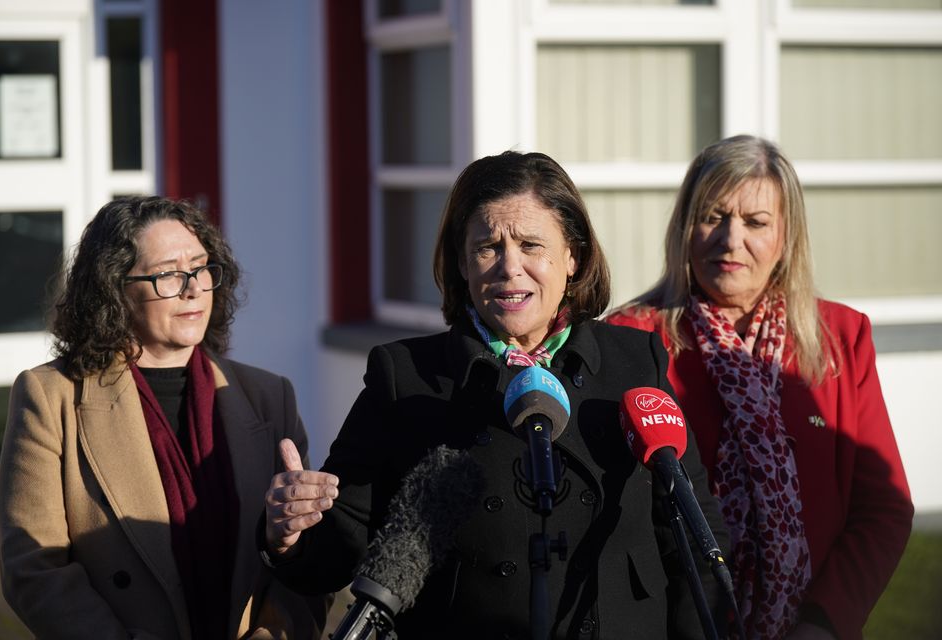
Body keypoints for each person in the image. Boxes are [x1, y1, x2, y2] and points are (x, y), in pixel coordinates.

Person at [261, 151, 730, 639]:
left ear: (574, 256)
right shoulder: (406, 377)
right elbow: (339, 547)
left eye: (532, 245)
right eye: (487, 247)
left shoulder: (635, 362)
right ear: (462, 262)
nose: (510, 268)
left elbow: (693, 542)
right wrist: (289, 536)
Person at [604, 135, 914, 640]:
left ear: (787, 237)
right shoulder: (629, 339)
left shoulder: (840, 337)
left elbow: (883, 507)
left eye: (756, 223)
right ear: (684, 227)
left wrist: (822, 624)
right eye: (712, 216)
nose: (730, 240)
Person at [0, 196, 331, 639]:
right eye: (169, 274)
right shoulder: (51, 397)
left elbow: (307, 563)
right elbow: (35, 568)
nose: (193, 288)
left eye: (201, 267)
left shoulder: (269, 396)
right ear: (115, 288)